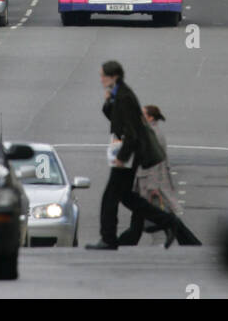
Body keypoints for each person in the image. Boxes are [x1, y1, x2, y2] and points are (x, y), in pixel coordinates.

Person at [85, 60, 199, 250]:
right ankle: (168, 222)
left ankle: (109, 239)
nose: (101, 79)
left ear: (114, 76)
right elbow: (116, 120)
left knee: (110, 197)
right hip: (129, 153)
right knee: (127, 197)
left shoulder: (124, 96)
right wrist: (107, 101)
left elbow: (131, 131)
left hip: (128, 155)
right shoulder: (118, 95)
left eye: (103, 75)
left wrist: (122, 157)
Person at [118, 105, 193, 246]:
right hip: (146, 181)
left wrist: (153, 187)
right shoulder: (149, 132)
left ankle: (189, 240)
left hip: (150, 182)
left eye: (143, 114)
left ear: (150, 117)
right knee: (141, 218)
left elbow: (154, 162)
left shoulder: (153, 134)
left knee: (150, 215)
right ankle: (123, 242)